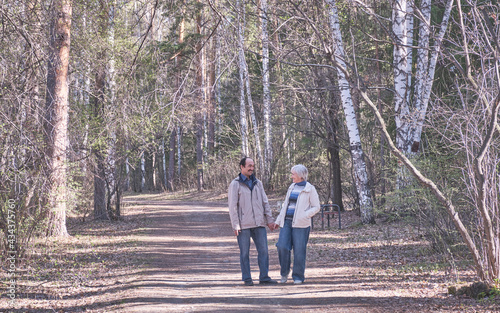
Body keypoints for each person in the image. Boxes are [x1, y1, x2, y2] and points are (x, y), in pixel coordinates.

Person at [228, 157, 278, 286]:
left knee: (264, 251)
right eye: (249, 166)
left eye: (253, 166)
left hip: (259, 224)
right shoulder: (235, 184)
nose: (251, 168)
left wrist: (269, 220)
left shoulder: (258, 183)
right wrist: (236, 225)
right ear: (242, 167)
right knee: (244, 253)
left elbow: (265, 202)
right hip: (243, 225)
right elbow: (233, 207)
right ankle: (247, 278)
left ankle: (264, 277)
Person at [274, 164, 320, 285]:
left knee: (299, 251)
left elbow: (316, 207)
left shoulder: (310, 189)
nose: (291, 176)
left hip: (301, 224)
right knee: (282, 246)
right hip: (287, 222)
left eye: (293, 174)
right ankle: (284, 272)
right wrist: (278, 221)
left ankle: (298, 276)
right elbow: (285, 205)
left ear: (300, 176)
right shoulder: (292, 187)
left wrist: (305, 215)